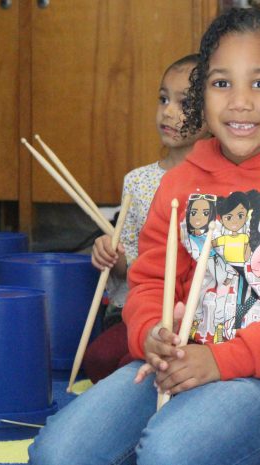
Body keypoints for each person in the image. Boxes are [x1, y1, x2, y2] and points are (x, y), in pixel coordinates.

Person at [29, 6, 260, 465]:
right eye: (221, 83)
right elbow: (149, 281)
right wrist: (151, 334)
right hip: (182, 364)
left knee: (169, 453)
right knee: (56, 454)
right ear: (202, 93)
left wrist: (222, 362)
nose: (239, 102)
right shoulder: (181, 183)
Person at [82, 54, 209, 383]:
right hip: (138, 311)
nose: (168, 111)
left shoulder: (217, 182)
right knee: (97, 358)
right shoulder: (137, 181)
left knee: (134, 363)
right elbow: (126, 267)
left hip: (197, 315)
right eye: (164, 99)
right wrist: (111, 253)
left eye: (185, 103)